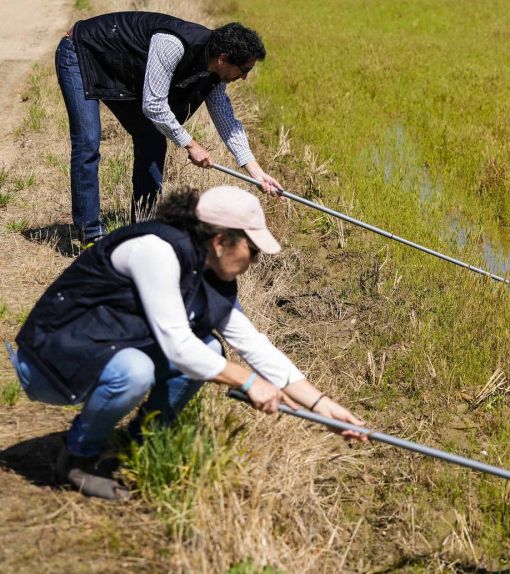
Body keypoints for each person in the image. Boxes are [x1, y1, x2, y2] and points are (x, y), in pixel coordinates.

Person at [12, 185, 365, 501]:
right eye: (253, 250)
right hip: (50, 361)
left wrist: (323, 407)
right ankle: (77, 458)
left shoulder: (209, 272)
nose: (254, 261)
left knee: (209, 350)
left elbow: (253, 345)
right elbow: (177, 345)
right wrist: (247, 381)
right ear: (221, 241)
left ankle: (139, 447)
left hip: (101, 349)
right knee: (138, 370)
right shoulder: (157, 251)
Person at [56, 11, 285, 246]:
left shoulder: (215, 73)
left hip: (119, 69)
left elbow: (225, 118)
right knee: (88, 141)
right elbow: (153, 105)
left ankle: (143, 228)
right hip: (81, 52)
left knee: (152, 139)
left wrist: (255, 171)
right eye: (244, 69)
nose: (244, 77)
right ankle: (90, 234)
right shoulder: (173, 44)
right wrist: (191, 144)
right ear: (223, 58)